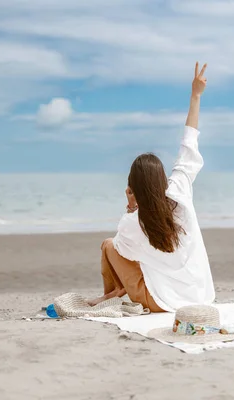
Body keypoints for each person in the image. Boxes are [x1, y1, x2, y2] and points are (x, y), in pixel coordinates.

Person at [88, 62, 215, 313]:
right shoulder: (179, 193)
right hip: (200, 296)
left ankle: (112, 295)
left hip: (162, 302)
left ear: (133, 189)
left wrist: (131, 208)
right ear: (162, 180)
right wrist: (196, 95)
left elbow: (123, 250)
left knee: (108, 245)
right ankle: (115, 293)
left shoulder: (133, 222)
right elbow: (189, 142)